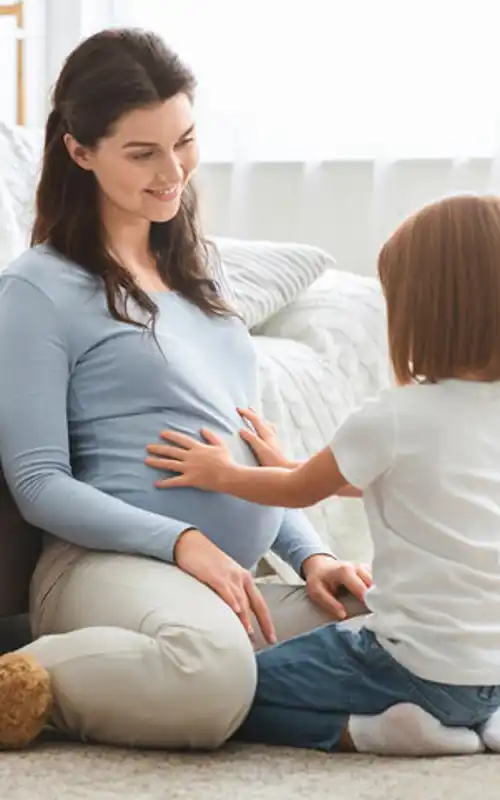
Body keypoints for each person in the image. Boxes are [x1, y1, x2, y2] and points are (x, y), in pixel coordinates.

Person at [0, 28, 370, 749]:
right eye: (142, 153)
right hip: (103, 567)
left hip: (222, 578)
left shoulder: (204, 276)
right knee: (209, 680)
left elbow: (248, 451)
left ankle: (189, 669)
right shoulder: (35, 289)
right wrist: (182, 541)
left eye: (185, 141)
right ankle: (24, 674)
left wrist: (312, 557)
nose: (173, 171)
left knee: (405, 626)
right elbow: (39, 482)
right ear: (80, 151)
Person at [145, 194, 500, 756]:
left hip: (410, 664)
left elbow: (295, 493)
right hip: (491, 672)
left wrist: (221, 472)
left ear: (424, 313)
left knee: (235, 693)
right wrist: (293, 463)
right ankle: (484, 721)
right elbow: (407, 483)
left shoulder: (393, 417)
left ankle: (370, 732)